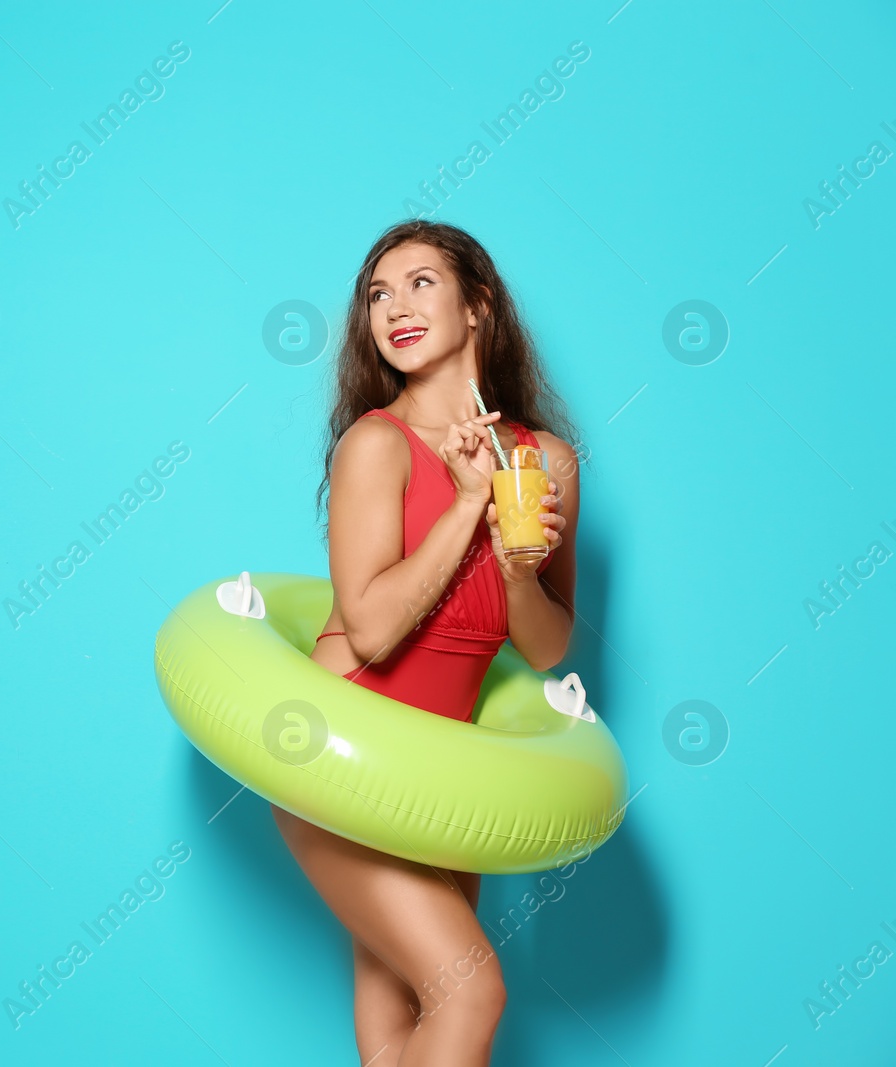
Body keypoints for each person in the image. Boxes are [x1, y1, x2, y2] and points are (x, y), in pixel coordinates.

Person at [272, 219, 583, 1066]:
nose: (393, 308)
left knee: (397, 1034)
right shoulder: (375, 444)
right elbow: (370, 629)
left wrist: (520, 570)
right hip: (338, 755)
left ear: (478, 305)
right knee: (470, 989)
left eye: (419, 284)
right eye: (378, 293)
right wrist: (465, 503)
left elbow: (549, 647)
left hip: (440, 780)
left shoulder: (546, 461)